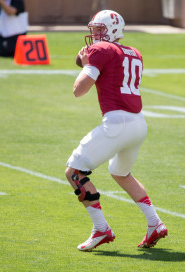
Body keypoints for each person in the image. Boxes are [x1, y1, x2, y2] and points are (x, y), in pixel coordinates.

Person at [65, 10, 168, 251]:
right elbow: (109, 68)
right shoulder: (134, 52)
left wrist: (88, 65)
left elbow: (79, 90)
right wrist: (88, 62)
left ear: (111, 30)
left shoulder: (101, 50)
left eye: (99, 30)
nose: (94, 35)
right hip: (138, 123)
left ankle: (101, 229)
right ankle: (155, 223)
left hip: (117, 122)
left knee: (74, 172)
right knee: (121, 172)